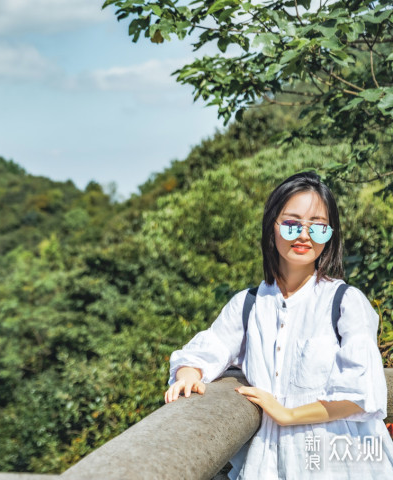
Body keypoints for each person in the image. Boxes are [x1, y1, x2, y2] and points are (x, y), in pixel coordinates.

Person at [164, 171, 393, 478]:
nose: (304, 235)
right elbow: (206, 350)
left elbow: (361, 393)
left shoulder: (346, 302)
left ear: (331, 234)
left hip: (343, 458)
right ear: (271, 226)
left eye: (318, 226)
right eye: (291, 223)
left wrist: (288, 414)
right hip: (275, 461)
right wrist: (188, 374)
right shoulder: (249, 305)